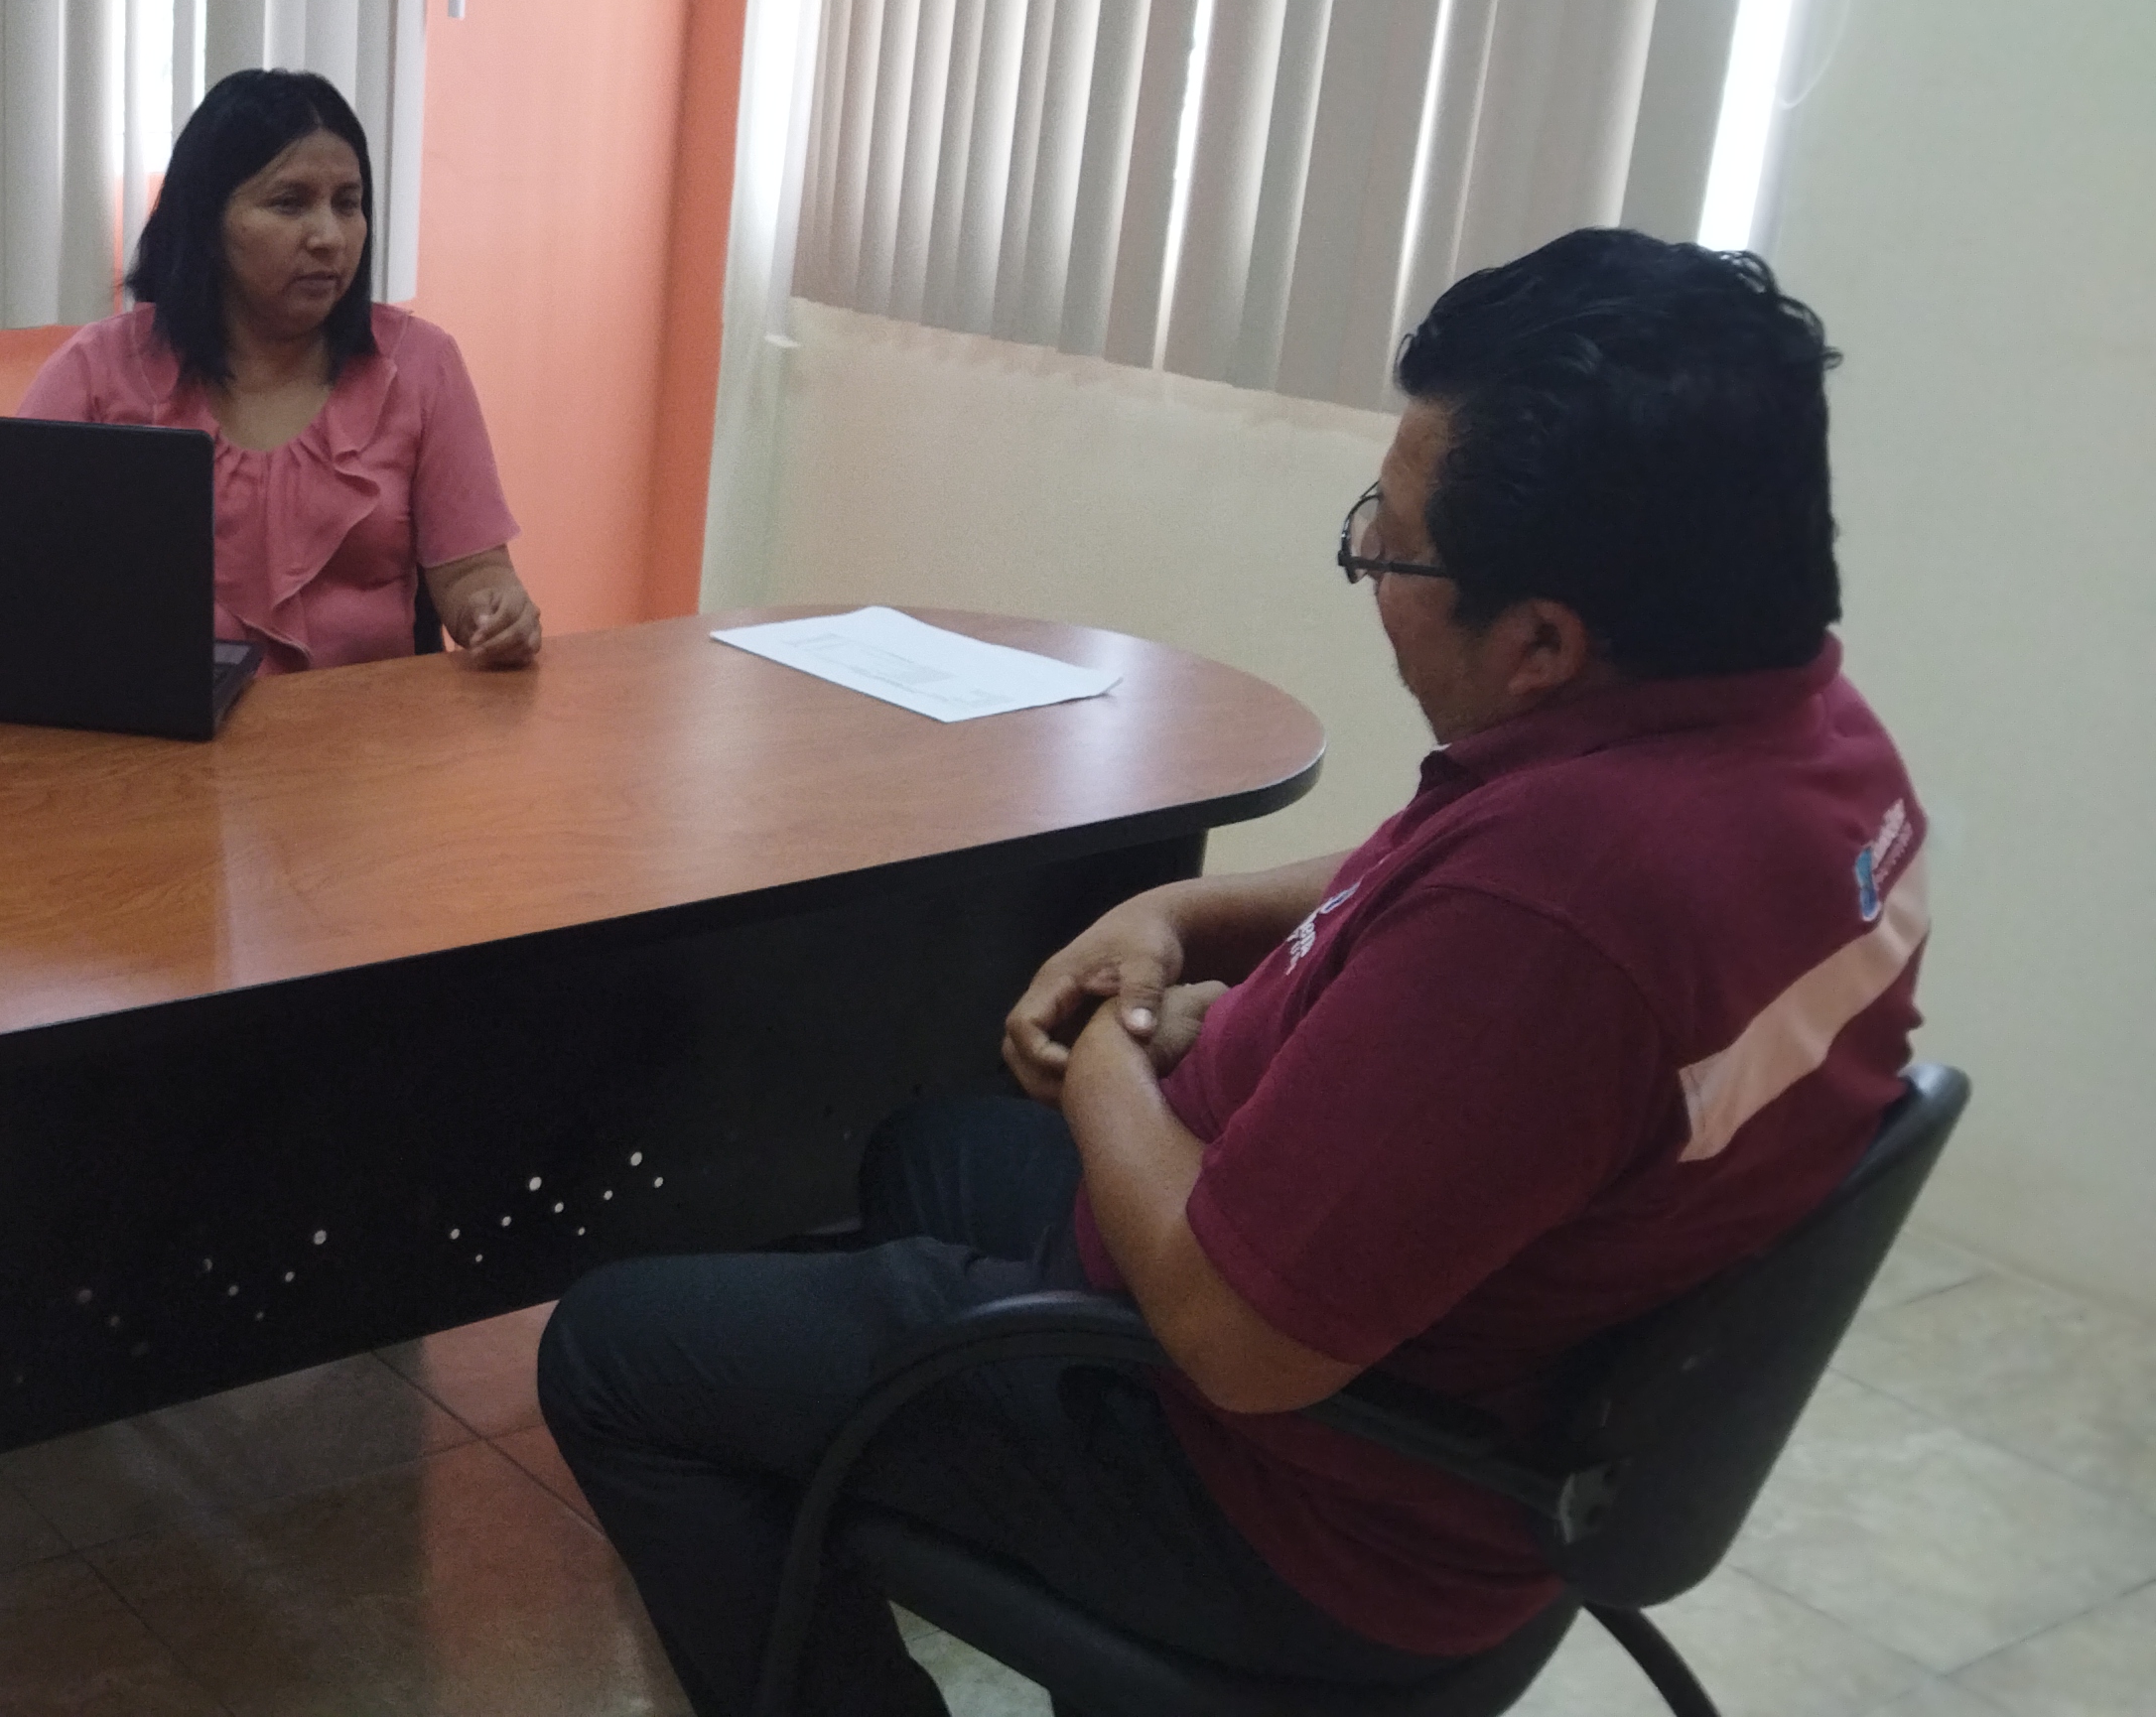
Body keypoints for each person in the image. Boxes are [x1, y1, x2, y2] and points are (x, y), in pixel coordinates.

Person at [536, 229, 1924, 1715]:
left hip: (1294, 1502)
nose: (1370, 570)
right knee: (925, 1150)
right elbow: (1432, 873)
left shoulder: (1566, 907)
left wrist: (1112, 1043)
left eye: (1392, 549)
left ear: (1539, 641)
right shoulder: (1805, 744)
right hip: (1433, 1386)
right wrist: (1177, 920)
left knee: (616, 1357)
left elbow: (1234, 1342)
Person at [19, 68, 540, 673]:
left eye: (348, 204)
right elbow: (10, 566)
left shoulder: (421, 366)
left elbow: (474, 573)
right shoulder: (98, 370)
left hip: (370, 725)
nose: (329, 237)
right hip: (157, 722)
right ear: (207, 223)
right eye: (289, 203)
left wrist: (496, 611)